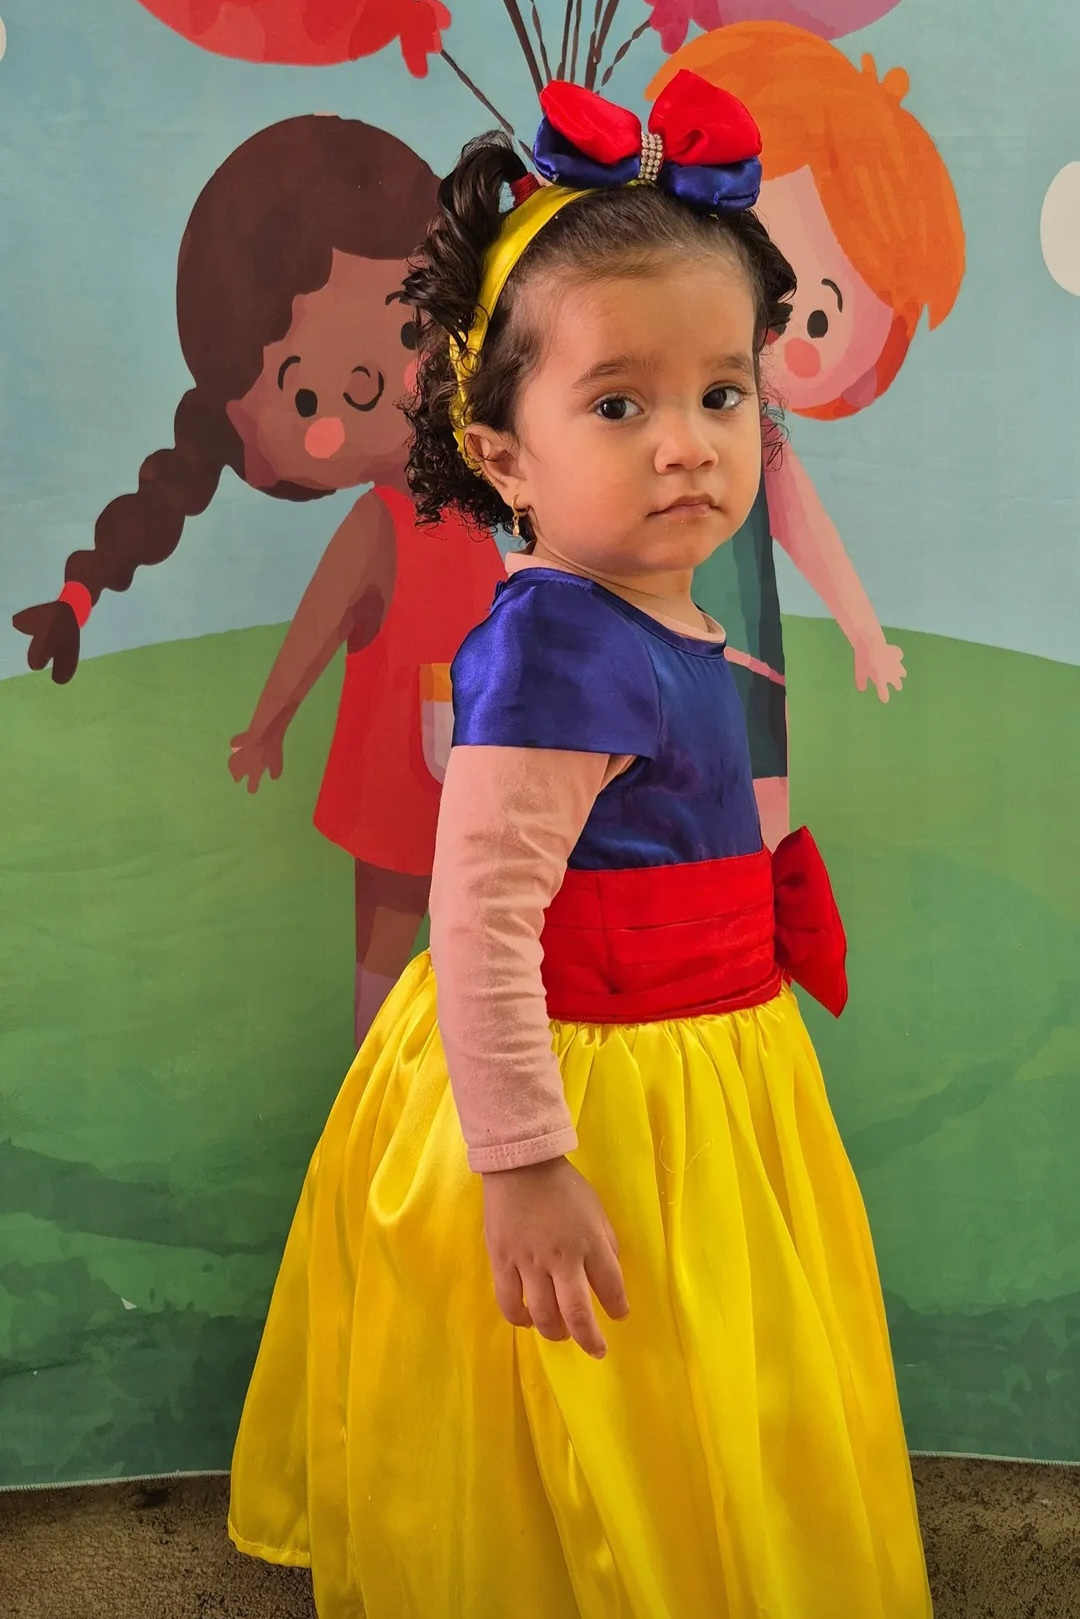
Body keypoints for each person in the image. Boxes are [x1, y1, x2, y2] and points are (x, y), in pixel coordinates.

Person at [228, 72, 932, 1618]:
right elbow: (480, 917)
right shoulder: (555, 644)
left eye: (722, 395)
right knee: (589, 1387)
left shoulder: (659, 612)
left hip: (700, 1061)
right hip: (586, 1082)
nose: (686, 445)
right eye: (619, 404)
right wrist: (529, 1164)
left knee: (695, 1368)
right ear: (503, 452)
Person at [12, 114, 504, 1046]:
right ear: (257, 436)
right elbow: (320, 624)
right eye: (306, 393)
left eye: (407, 328)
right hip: (404, 755)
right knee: (394, 920)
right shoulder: (381, 524)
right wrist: (267, 723)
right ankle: (373, 1069)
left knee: (492, 922)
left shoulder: (492, 490)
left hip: (498, 740)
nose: (373, 385)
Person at [652, 22, 965, 848]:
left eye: (815, 314)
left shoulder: (761, 438)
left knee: (757, 814)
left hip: (743, 654)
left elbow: (805, 526)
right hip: (643, 652)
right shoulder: (641, 411)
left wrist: (864, 631)